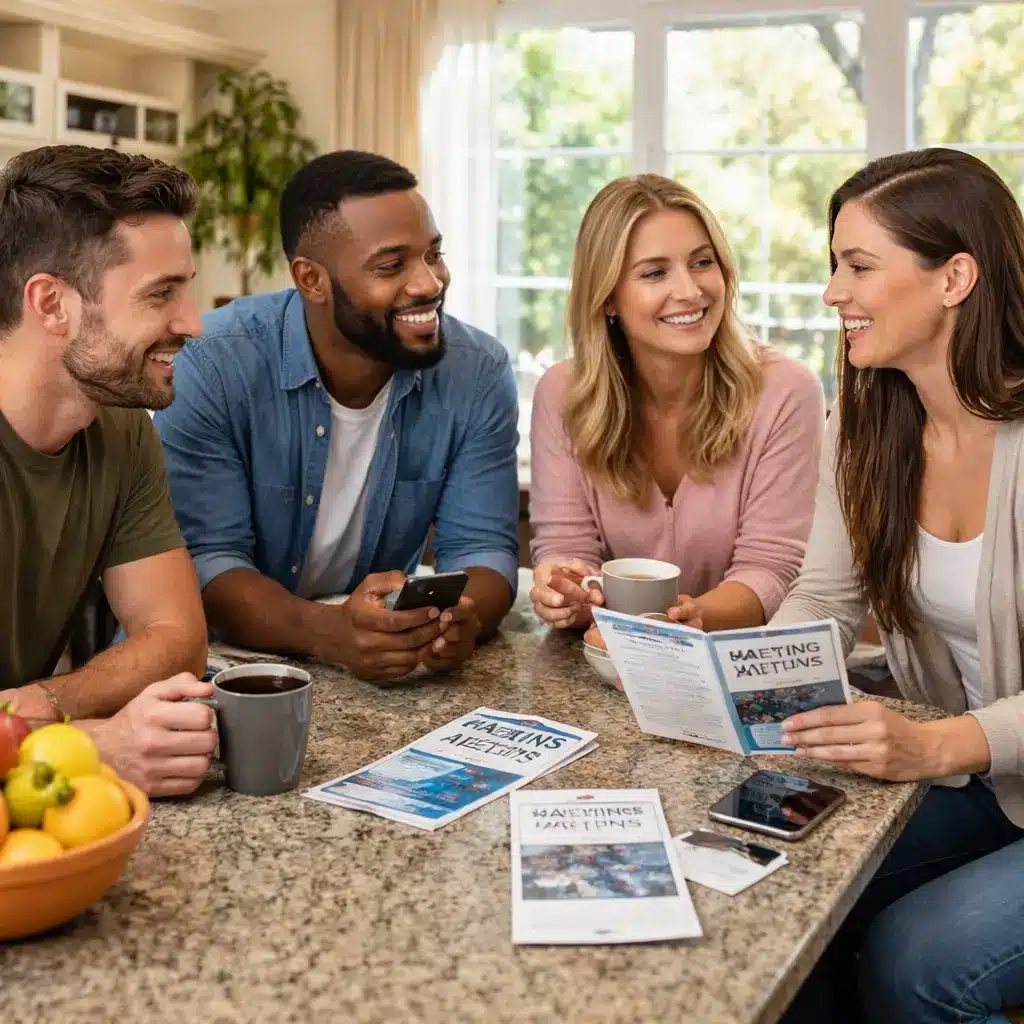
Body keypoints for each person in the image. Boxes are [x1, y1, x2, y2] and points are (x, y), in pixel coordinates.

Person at [773, 148, 1024, 1024]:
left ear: (954, 277)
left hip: (969, 766)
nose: (834, 292)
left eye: (858, 266)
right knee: (790, 886)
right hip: (990, 786)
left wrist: (933, 748)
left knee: (917, 963)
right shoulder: (868, 421)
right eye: (832, 265)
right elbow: (824, 600)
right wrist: (733, 672)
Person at [154, 150, 519, 681]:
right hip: (220, 670)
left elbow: (484, 551)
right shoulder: (214, 363)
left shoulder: (477, 370)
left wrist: (461, 619)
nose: (429, 283)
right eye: (391, 265)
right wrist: (330, 634)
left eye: (432, 254)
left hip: (381, 666)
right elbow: (208, 563)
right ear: (312, 280)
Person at [0, 145, 217, 797]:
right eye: (161, 295)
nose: (194, 323)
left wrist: (37, 708)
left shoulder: (117, 427)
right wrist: (87, 746)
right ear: (52, 304)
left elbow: (178, 639)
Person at [528, 174, 824, 636]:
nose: (689, 291)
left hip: (737, 663)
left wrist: (677, 625)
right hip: (606, 664)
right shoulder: (562, 394)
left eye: (702, 262)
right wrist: (563, 592)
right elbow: (567, 548)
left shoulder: (786, 391)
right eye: (654, 272)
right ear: (607, 297)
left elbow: (773, 569)